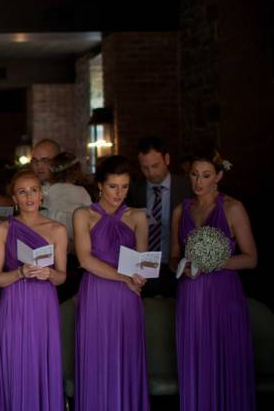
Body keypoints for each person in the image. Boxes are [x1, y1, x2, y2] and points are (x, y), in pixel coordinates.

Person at [170, 148, 257, 411]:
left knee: (225, 360)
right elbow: (173, 257)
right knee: (196, 361)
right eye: (194, 175)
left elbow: (251, 258)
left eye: (206, 175)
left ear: (218, 176)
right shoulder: (180, 210)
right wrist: (181, 266)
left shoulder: (233, 208)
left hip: (223, 295)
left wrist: (214, 262)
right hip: (190, 295)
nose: (198, 182)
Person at [72, 155, 149, 411]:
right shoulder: (83, 215)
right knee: (96, 358)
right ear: (100, 186)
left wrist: (140, 276)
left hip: (128, 297)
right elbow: (85, 260)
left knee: (126, 358)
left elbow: (142, 262)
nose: (119, 193)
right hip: (96, 294)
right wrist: (124, 278)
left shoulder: (138, 216)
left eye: (125, 186)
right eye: (114, 186)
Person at [0, 169, 67, 411]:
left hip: (44, 302)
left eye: (33, 190)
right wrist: (20, 273)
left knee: (42, 362)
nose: (29, 197)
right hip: (14, 303)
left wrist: (50, 273)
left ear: (41, 195)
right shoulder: (4, 230)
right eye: (22, 192)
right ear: (14, 199)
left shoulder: (57, 230)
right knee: (17, 363)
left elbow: (62, 277)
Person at [128, 136, 192, 296]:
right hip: (143, 268)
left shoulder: (187, 187)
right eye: (145, 168)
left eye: (155, 166)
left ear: (167, 159)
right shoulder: (134, 190)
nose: (151, 173)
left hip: (177, 266)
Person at [42, 152, 92, 301]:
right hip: (75, 247)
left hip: (53, 247)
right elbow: (90, 218)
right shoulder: (82, 192)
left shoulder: (49, 191)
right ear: (76, 171)